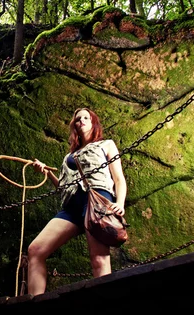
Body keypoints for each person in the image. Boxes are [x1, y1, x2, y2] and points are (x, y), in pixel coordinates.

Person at [27, 107, 127, 296]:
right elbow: (63, 188)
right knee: (35, 250)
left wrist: (119, 203)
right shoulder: (68, 157)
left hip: (96, 200)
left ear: (93, 122)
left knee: (98, 259)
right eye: (77, 119)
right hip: (71, 206)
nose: (81, 120)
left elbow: (119, 178)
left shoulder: (106, 145)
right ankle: (35, 306)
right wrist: (47, 173)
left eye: (85, 118)